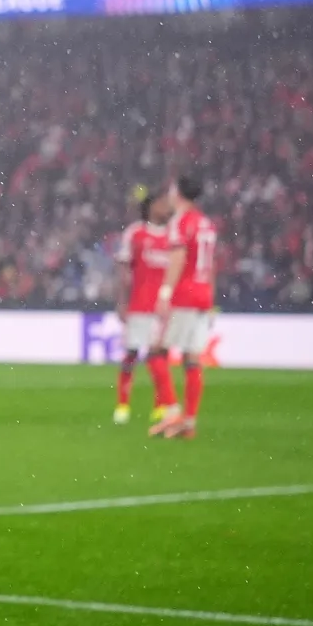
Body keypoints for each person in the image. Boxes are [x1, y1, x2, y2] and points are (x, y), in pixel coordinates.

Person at [152, 175, 216, 439]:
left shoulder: (181, 221)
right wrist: (210, 298)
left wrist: (165, 294)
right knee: (192, 360)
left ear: (177, 193)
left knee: (156, 353)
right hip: (202, 295)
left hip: (185, 295)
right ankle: (188, 422)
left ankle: (173, 413)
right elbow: (210, 265)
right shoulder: (206, 223)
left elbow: (177, 259)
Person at [113, 188, 177, 425]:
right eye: (161, 203)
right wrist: (121, 302)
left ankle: (159, 406)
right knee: (131, 354)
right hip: (139, 306)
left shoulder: (174, 235)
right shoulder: (136, 233)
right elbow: (123, 270)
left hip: (163, 309)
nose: (166, 208)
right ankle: (122, 404)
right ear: (150, 207)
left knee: (160, 357)